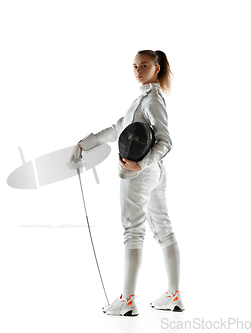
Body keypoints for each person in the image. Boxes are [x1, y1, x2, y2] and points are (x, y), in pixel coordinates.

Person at [77, 50, 184, 316]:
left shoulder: (153, 101)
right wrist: (86, 143)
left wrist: (140, 164)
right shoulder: (145, 98)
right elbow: (119, 128)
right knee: (163, 228)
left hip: (139, 172)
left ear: (156, 68)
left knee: (133, 232)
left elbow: (165, 141)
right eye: (135, 65)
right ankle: (174, 296)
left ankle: (127, 301)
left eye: (144, 65)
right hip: (154, 172)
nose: (137, 69)